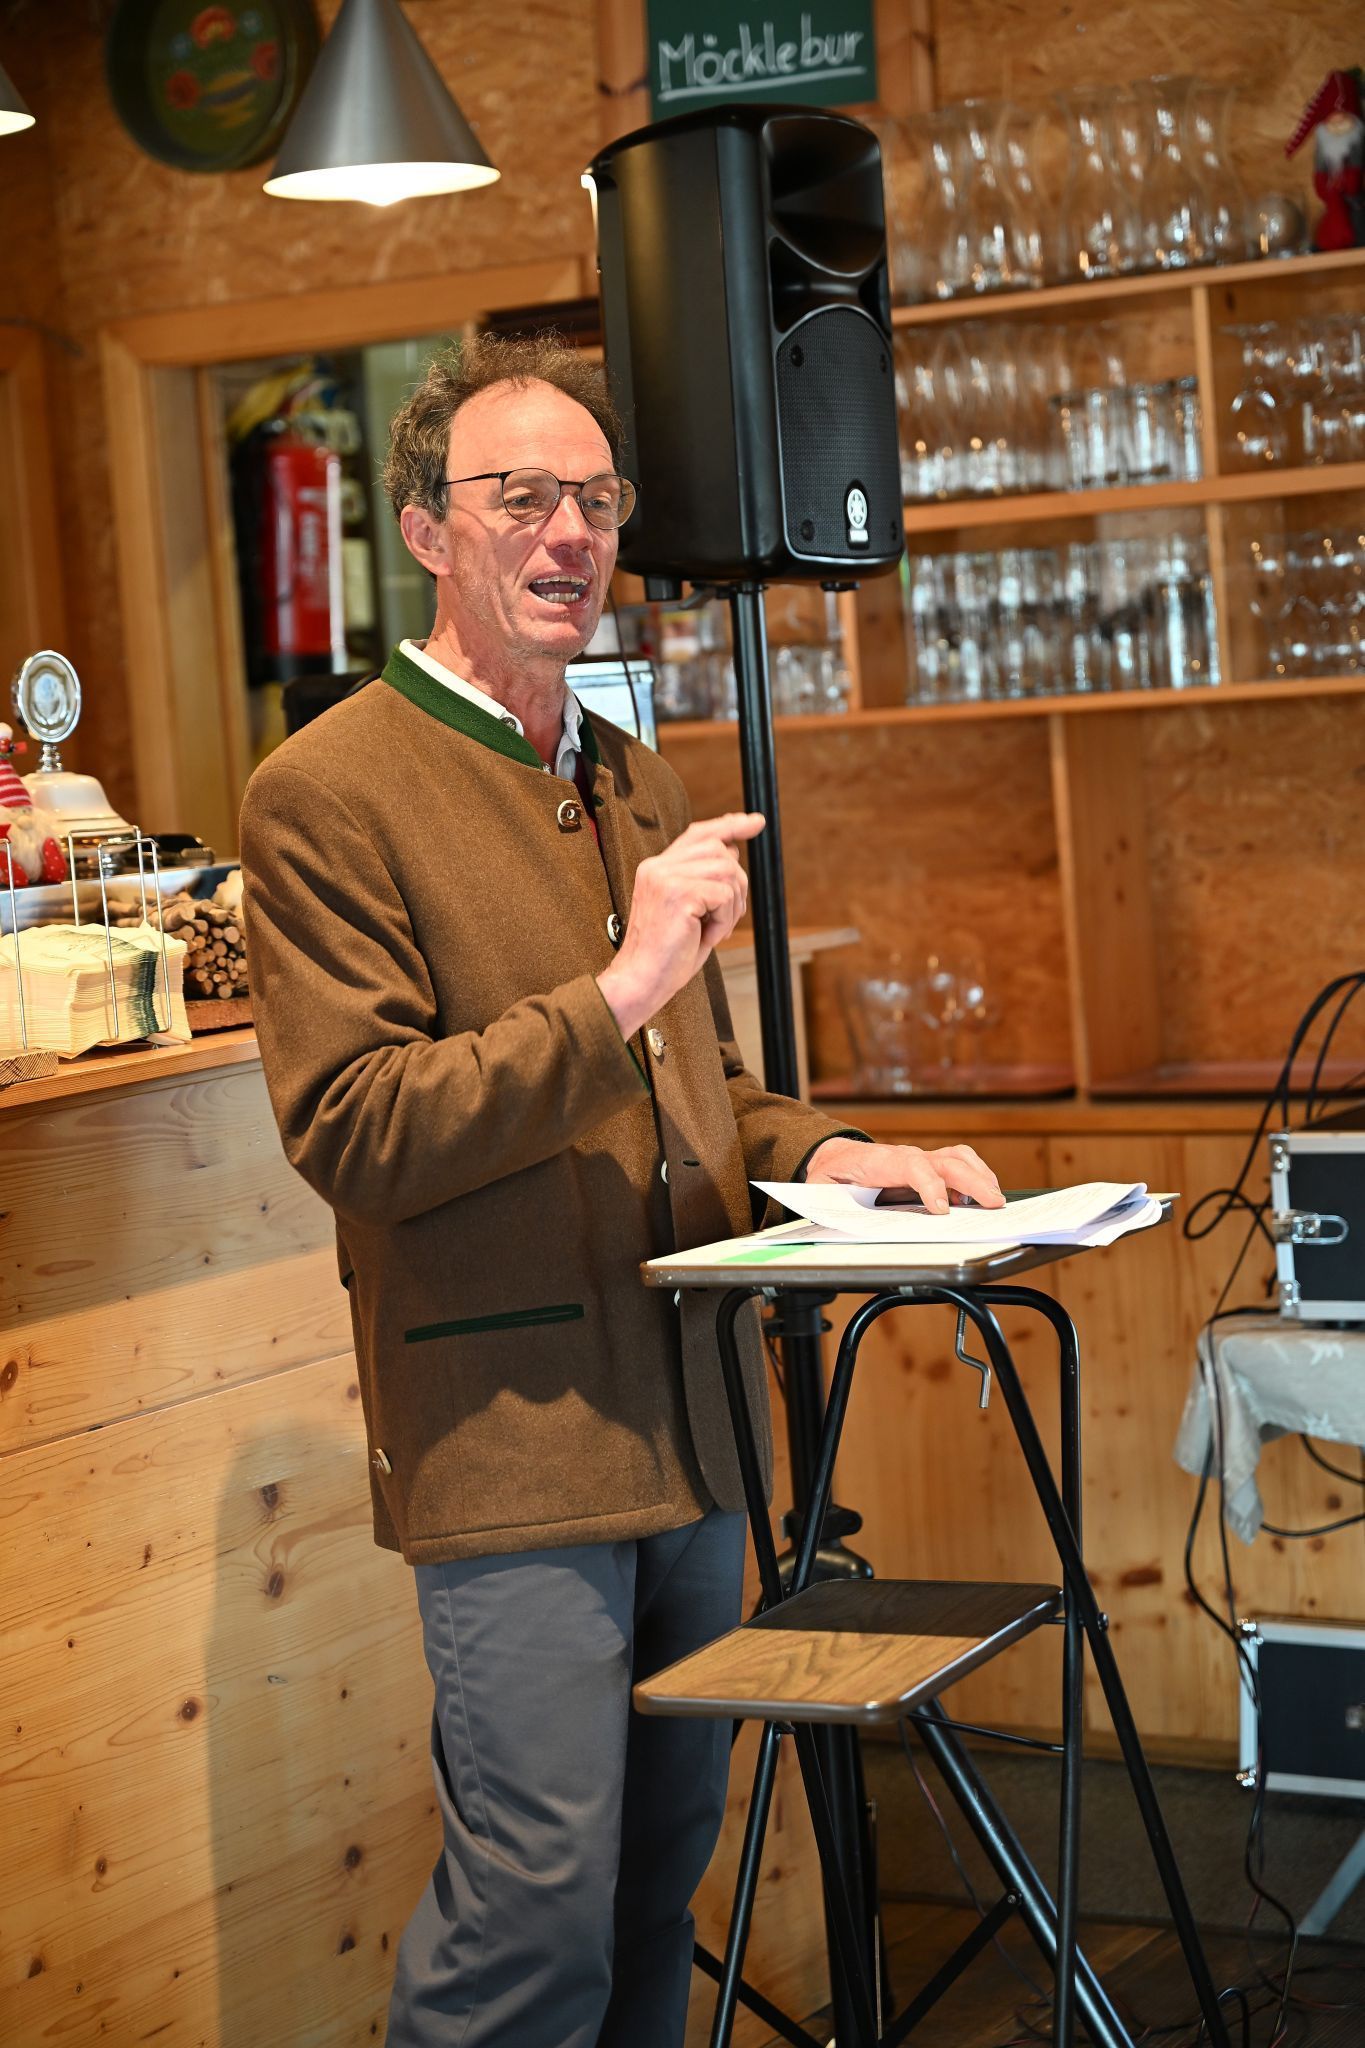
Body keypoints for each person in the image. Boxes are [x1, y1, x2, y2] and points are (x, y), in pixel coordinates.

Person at [238, 332, 1004, 2048]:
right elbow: (359, 1127)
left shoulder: (624, 772)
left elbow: (694, 1086)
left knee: (660, 1882)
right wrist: (624, 985)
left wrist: (833, 1157)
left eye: (595, 499)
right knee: (533, 1912)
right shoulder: (326, 792)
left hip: (695, 1426)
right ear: (426, 531)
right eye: (522, 497)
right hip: (512, 1435)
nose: (571, 534)